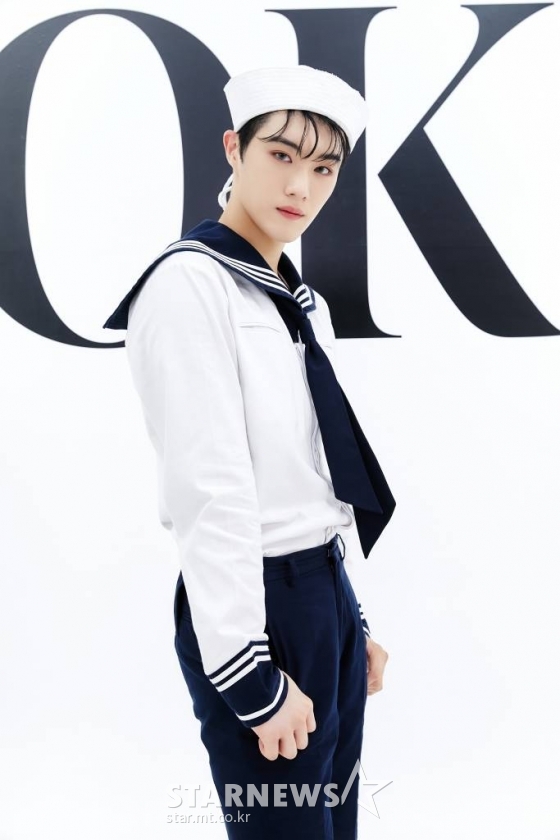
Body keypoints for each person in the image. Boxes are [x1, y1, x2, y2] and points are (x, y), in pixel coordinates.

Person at [103, 65, 395, 840]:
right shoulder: (189, 285)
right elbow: (211, 490)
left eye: (324, 168)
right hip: (258, 604)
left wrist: (350, 618)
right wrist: (249, 675)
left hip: (322, 591)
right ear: (234, 149)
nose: (301, 185)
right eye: (281, 155)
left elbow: (309, 473)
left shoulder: (300, 301)